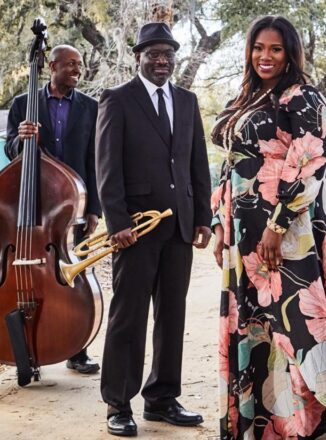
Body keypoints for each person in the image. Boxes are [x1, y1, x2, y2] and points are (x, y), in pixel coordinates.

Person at [211, 15, 326, 439]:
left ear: (290, 54)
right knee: (258, 335)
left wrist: (276, 227)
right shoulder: (247, 95)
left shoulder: (304, 97)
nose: (264, 56)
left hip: (291, 237)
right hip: (243, 239)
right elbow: (229, 164)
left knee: (304, 336)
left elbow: (308, 165)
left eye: (275, 49)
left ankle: (325, 430)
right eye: (258, 48)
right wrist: (218, 225)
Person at [95, 22, 212, 437]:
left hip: (180, 225)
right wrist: (117, 223)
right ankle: (118, 402)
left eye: (168, 54)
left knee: (171, 316)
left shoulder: (187, 100)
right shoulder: (117, 100)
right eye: (153, 54)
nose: (162, 61)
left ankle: (161, 398)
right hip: (136, 230)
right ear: (138, 57)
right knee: (128, 317)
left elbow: (197, 162)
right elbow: (106, 168)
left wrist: (204, 217)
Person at [5, 44, 101, 375]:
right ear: (51, 65)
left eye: (79, 65)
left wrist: (94, 208)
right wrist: (21, 140)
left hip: (72, 205)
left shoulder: (91, 107)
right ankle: (28, 350)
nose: (77, 70)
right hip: (32, 206)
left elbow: (95, 160)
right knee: (28, 279)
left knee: (75, 275)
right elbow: (9, 151)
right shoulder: (22, 105)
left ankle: (78, 349)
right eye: (71, 64)